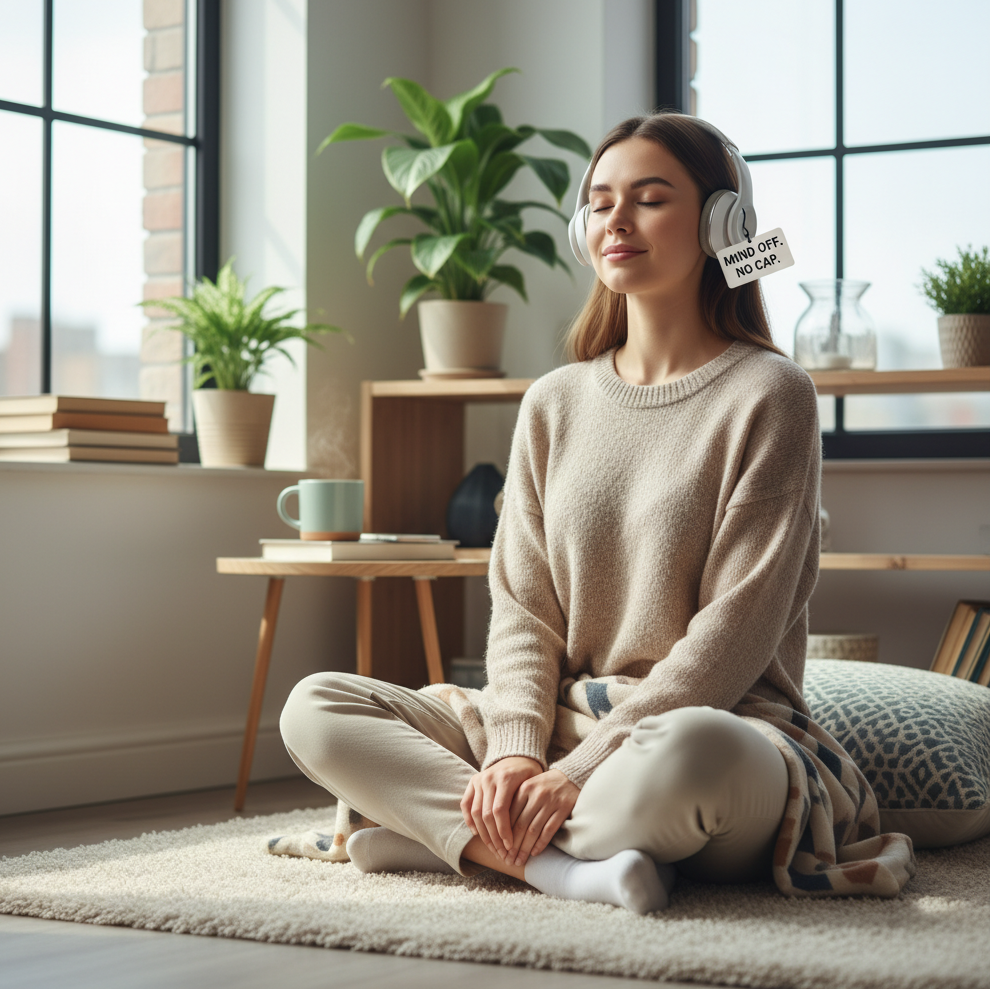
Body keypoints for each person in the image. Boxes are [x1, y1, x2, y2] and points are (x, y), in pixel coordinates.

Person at [278, 111, 913, 913]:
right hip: (561, 725)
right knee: (317, 709)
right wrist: (513, 754)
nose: (617, 220)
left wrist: (576, 773)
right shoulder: (553, 401)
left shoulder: (772, 393)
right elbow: (522, 609)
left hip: (710, 732)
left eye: (649, 198)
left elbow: (734, 636)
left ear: (724, 226)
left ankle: (426, 837)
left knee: (693, 755)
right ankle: (567, 871)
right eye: (600, 202)